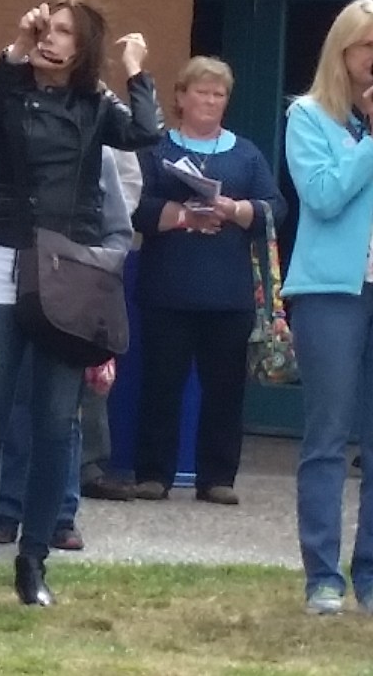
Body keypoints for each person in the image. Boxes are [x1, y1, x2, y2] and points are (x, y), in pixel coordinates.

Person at [0, 0, 161, 607]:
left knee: (56, 420)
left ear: (82, 49)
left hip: (67, 269)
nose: (50, 38)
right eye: (46, 28)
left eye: (63, 32)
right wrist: (15, 45)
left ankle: (33, 562)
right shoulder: (8, 92)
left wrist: (136, 69)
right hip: (0, 255)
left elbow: (145, 133)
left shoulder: (96, 106)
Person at [0, 145, 136, 552]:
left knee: (60, 415)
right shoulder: (0, 147)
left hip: (69, 299)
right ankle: (1, 514)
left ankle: (59, 518)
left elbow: (118, 233)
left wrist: (86, 275)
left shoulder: (99, 154)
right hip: (2, 290)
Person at [131, 57, 286, 506]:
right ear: (181, 97)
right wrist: (184, 217)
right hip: (167, 289)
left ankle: (217, 477)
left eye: (219, 94)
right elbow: (134, 206)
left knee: (225, 390)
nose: (211, 101)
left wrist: (235, 210)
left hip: (229, 294)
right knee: (161, 385)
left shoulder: (246, 154)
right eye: (202, 92)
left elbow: (276, 208)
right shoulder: (156, 150)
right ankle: (153, 474)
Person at [280, 0, 373, 615]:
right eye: (369, 47)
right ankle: (323, 576)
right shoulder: (308, 117)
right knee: (328, 436)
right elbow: (322, 196)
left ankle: (371, 573)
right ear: (343, 51)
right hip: (330, 294)